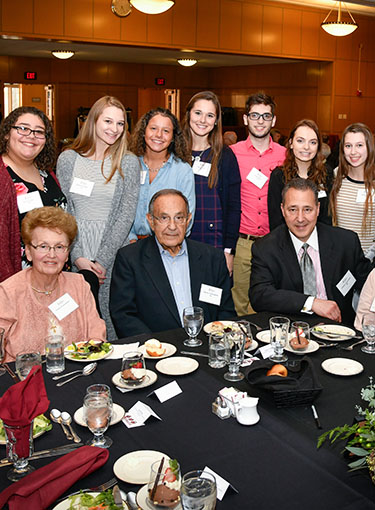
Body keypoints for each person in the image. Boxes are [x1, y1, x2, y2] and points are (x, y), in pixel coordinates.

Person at [57, 96, 140, 340]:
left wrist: (102, 261)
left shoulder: (128, 162)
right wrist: (78, 255)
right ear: (93, 121)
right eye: (108, 121)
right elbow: (65, 212)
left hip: (114, 251)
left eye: (120, 123)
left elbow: (126, 215)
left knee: (112, 319)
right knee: (75, 320)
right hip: (76, 249)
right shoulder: (68, 159)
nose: (114, 129)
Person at [110, 189, 236, 337]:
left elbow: (226, 311)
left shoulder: (212, 258)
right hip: (158, 351)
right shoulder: (130, 259)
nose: (172, 226)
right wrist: (155, 346)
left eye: (179, 218)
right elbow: (123, 315)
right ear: (151, 221)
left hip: (206, 348)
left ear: (188, 220)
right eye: (164, 218)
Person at [250, 178, 372, 325]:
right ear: (282, 210)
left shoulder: (345, 242)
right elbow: (260, 295)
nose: (300, 218)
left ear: (318, 209)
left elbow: (368, 282)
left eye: (307, 209)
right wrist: (311, 303)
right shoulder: (266, 247)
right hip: (291, 331)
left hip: (340, 331)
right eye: (292, 209)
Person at [0, 207, 106, 362]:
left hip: (75, 375)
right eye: (43, 246)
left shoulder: (79, 286)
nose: (51, 255)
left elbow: (97, 336)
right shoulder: (9, 292)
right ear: (29, 252)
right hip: (25, 380)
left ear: (67, 253)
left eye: (59, 247)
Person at [230, 91, 286, 316]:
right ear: (245, 119)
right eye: (255, 115)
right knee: (241, 304)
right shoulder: (231, 154)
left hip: (277, 242)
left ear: (273, 120)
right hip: (245, 242)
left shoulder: (286, 155)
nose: (260, 121)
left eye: (265, 116)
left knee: (275, 301)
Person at [0, 106, 66, 283]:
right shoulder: (2, 176)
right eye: (23, 128)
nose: (31, 136)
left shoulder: (46, 172)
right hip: (16, 278)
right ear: (7, 133)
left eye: (39, 132)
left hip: (53, 273)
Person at [182, 91, 241, 276]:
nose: (203, 120)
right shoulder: (175, 153)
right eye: (198, 113)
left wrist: (228, 250)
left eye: (210, 115)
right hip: (178, 240)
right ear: (188, 114)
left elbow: (233, 207)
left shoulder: (225, 156)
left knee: (211, 298)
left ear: (216, 120)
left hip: (213, 242)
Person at [128, 107, 195, 240]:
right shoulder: (129, 165)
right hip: (127, 245)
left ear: (173, 137)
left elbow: (186, 219)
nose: (159, 135)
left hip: (166, 246)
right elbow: (119, 211)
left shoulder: (182, 171)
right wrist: (130, 240)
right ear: (144, 132)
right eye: (153, 128)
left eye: (166, 131)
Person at [268, 119, 333, 231]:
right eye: (300, 141)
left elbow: (327, 216)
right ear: (291, 143)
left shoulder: (326, 173)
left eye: (312, 142)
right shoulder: (278, 176)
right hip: (286, 243)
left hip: (319, 241)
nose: (306, 147)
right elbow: (276, 220)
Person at [330, 123, 375, 258]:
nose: (353, 152)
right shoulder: (335, 175)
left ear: (369, 147)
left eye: (359, 145)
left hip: (370, 260)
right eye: (348, 146)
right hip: (340, 257)